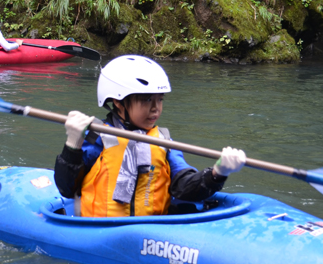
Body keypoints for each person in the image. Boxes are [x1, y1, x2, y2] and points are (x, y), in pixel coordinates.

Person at [54, 55, 246, 217]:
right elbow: (66, 188)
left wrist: (218, 173)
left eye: (159, 100)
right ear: (118, 103)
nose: (156, 109)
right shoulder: (97, 137)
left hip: (152, 231)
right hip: (101, 228)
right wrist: (73, 144)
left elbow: (184, 187)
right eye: (146, 100)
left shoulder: (163, 142)